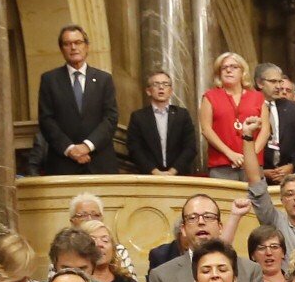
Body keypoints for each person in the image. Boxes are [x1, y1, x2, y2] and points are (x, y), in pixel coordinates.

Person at [145, 191, 267, 282]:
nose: (201, 222)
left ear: (220, 227)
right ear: (183, 229)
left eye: (208, 217)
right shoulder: (162, 276)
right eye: (192, 218)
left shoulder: (250, 271)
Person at [36, 23, 119, 174]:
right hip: (63, 163)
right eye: (67, 44)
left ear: (87, 46)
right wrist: (70, 149)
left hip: (99, 162)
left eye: (78, 42)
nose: (73, 47)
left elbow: (111, 118)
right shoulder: (49, 80)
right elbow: (46, 120)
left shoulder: (103, 79)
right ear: (62, 49)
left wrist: (87, 146)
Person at [202, 50, 265, 180]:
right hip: (222, 164)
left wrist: (250, 155)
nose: (228, 71)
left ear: (243, 72)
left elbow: (265, 130)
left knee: (254, 199)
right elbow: (206, 129)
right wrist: (230, 154)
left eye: (234, 67)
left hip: (252, 165)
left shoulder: (257, 97)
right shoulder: (210, 96)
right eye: (224, 68)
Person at [127, 69, 204, 174]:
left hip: (179, 176)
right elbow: (134, 149)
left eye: (165, 84)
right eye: (156, 84)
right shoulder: (138, 117)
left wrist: (172, 172)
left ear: (171, 91)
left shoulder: (182, 115)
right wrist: (154, 171)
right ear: (148, 91)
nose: (161, 87)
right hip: (149, 177)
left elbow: (190, 148)